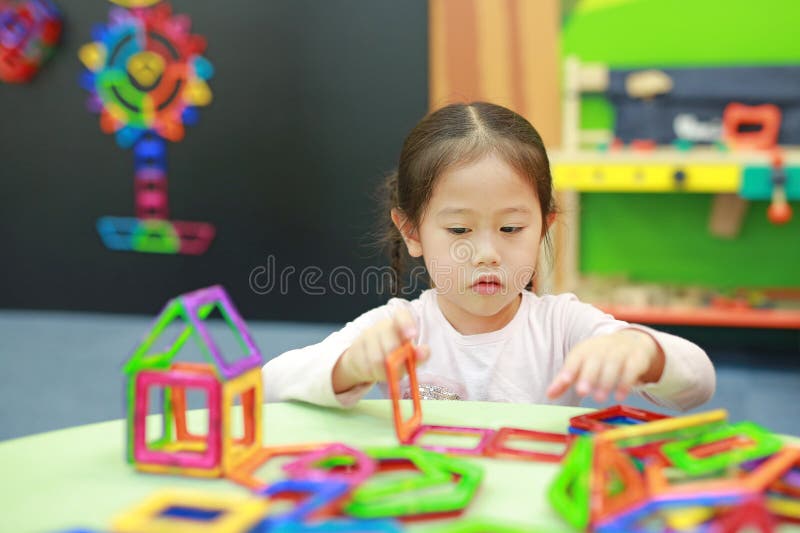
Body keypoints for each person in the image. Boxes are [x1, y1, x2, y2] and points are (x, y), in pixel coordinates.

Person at [263, 102, 715, 412]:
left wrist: (644, 351)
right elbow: (270, 384)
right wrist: (352, 366)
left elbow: (697, 386)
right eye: (459, 229)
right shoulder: (402, 328)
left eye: (511, 229)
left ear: (545, 226)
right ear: (412, 231)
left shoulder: (562, 325)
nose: (486, 254)